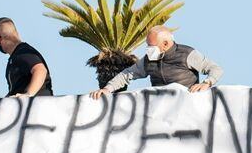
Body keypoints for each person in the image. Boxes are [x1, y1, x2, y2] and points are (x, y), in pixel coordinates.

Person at [90, 26, 222, 99]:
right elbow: (127, 74)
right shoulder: (148, 59)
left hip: (186, 104)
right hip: (159, 108)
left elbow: (215, 69)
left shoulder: (187, 54)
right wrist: (107, 89)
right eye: (147, 45)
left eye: (151, 46)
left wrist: (206, 83)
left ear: (165, 44)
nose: (148, 49)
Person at [0, 17, 53, 97]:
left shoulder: (23, 52)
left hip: (38, 103)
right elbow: (16, 90)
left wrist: (28, 94)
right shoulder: (15, 57)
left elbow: (40, 70)